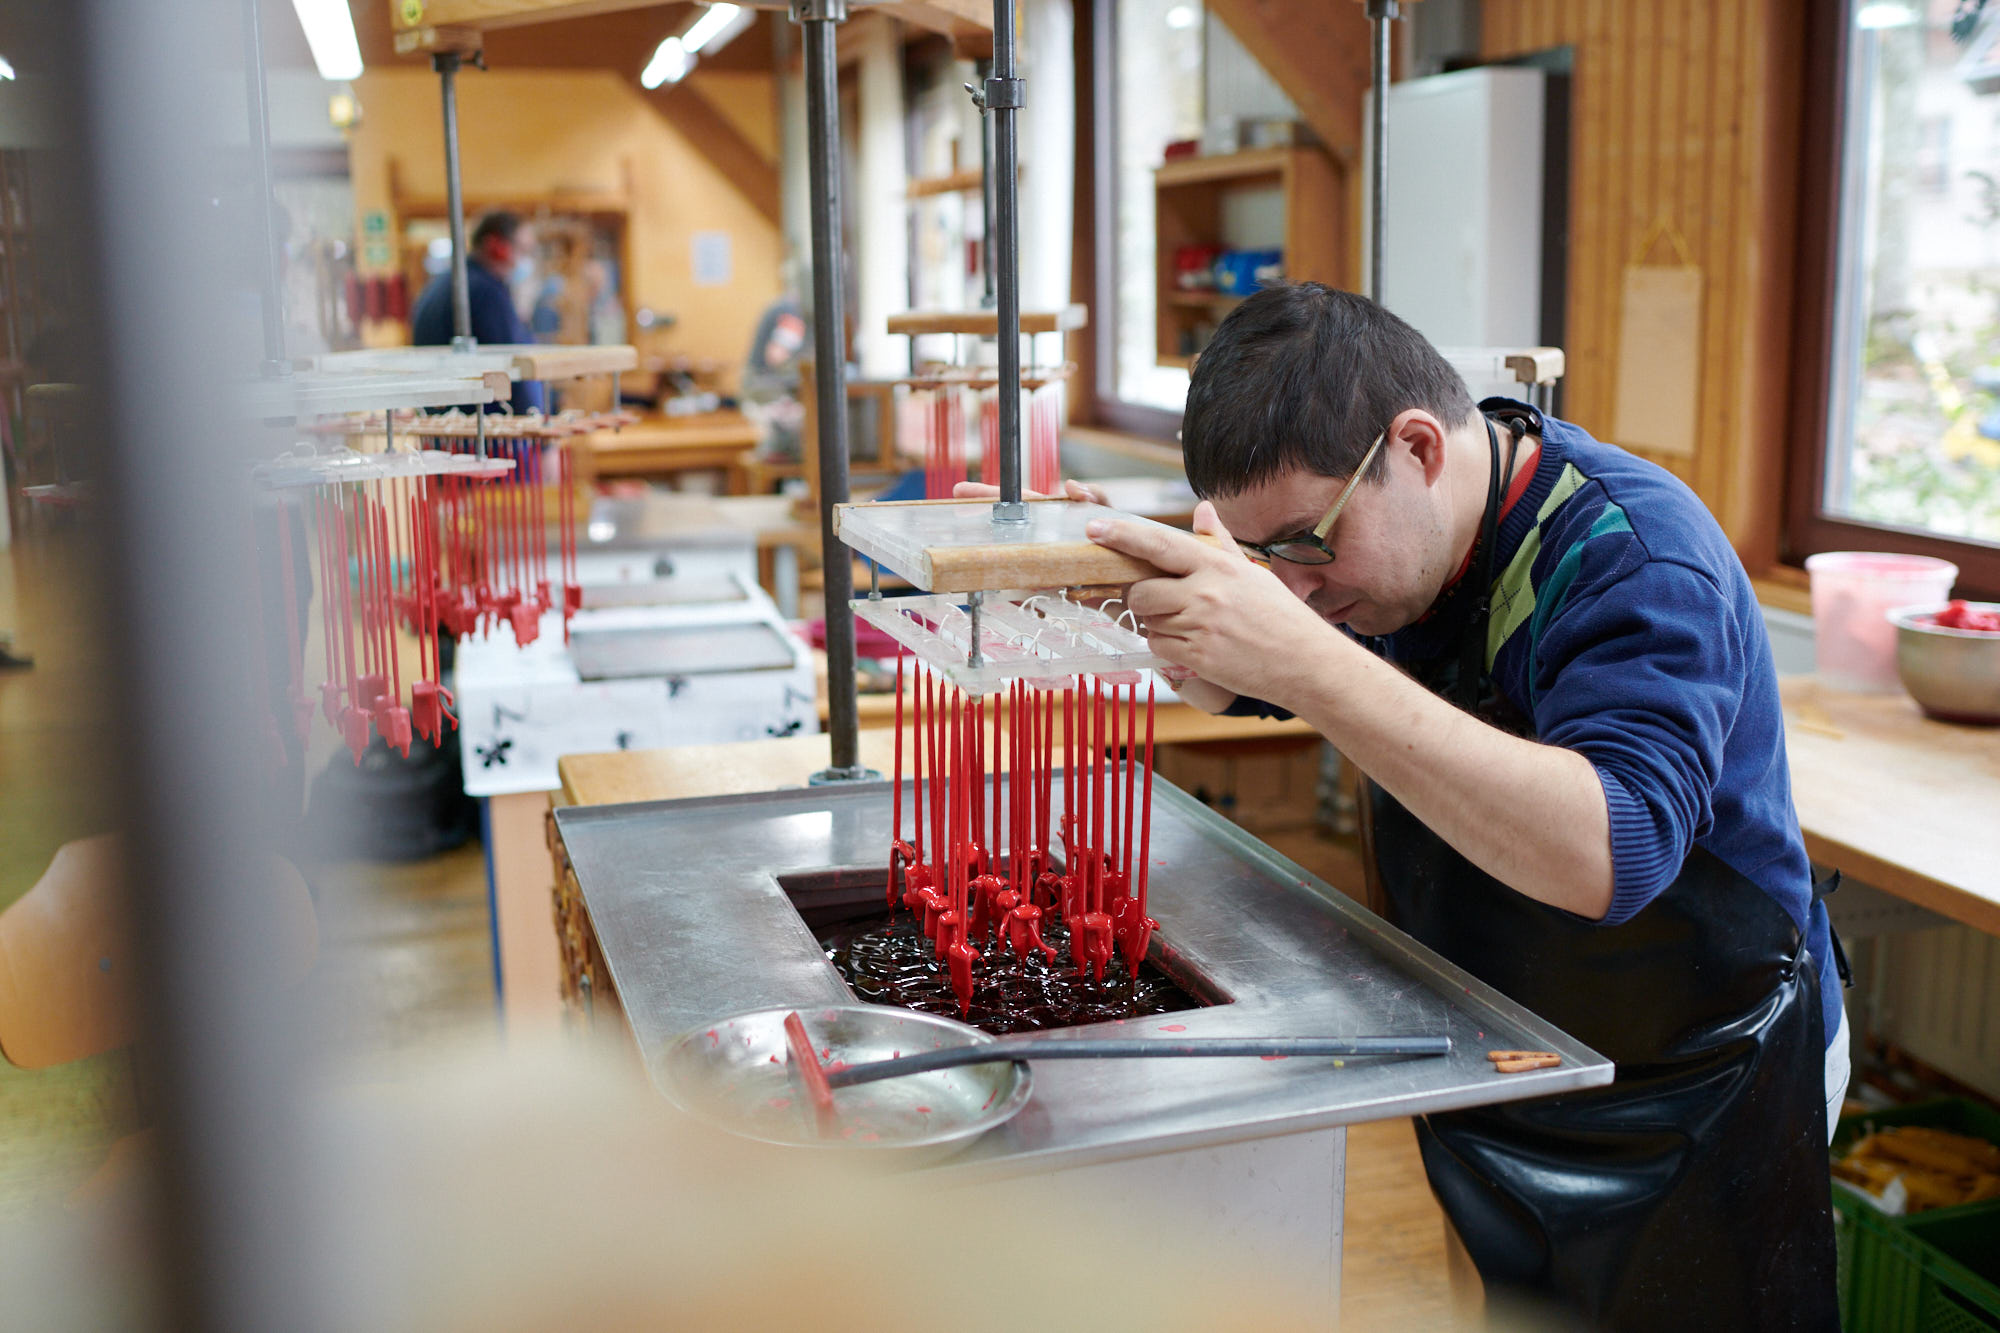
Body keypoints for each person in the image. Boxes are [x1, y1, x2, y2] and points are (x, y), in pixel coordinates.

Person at [1077, 284, 1846, 1330]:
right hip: (1521, 1047)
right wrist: (1142, 598)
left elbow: (1608, 850)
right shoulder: (1388, 555)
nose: (1294, 591)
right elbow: (1285, 661)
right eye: (1264, 560)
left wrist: (1297, 654)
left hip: (1701, 1078)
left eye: (1306, 543)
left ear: (1417, 449)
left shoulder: (1628, 555)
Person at [410, 211, 547, 414]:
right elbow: (513, 366)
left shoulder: (443, 283)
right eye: (522, 250)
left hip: (444, 422)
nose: (524, 261)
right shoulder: (486, 292)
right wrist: (536, 428)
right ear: (495, 247)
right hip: (483, 428)